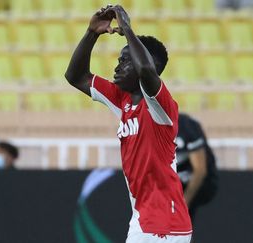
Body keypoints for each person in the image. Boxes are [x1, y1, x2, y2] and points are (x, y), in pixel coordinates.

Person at [65, 4, 192, 243]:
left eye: (125, 61)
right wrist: (92, 33)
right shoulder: (121, 99)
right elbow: (76, 76)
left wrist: (127, 29)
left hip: (160, 224)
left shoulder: (161, 106)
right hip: (149, 220)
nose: (116, 67)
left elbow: (145, 69)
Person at [176, 113, 218, 224]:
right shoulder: (147, 128)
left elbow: (200, 170)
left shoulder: (186, 127)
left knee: (180, 224)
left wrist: (184, 202)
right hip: (174, 183)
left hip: (202, 181)